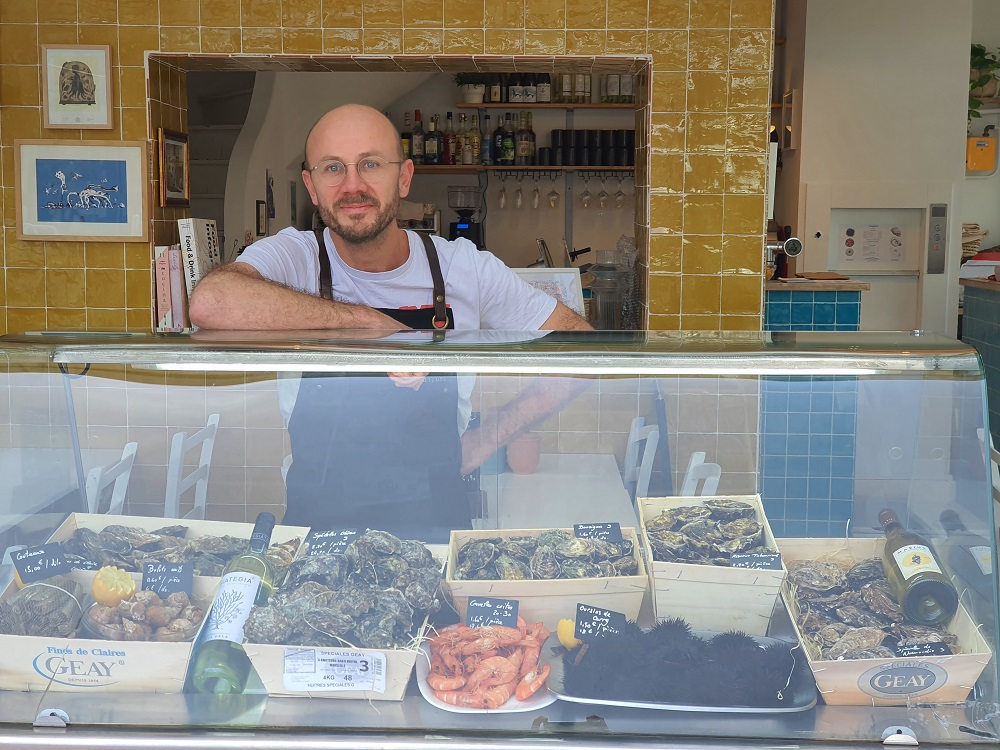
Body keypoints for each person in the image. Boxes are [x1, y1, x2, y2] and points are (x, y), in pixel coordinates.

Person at [189, 104, 592, 541]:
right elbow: (211, 303)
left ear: (404, 177)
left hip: (434, 525)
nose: (352, 185)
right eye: (332, 168)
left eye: (370, 164)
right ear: (311, 185)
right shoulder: (294, 257)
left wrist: (489, 435)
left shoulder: (465, 268)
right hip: (320, 529)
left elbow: (581, 348)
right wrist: (371, 324)